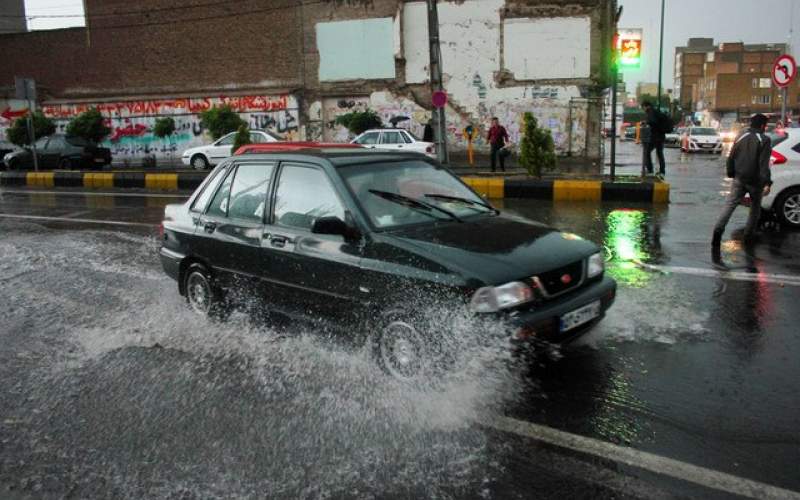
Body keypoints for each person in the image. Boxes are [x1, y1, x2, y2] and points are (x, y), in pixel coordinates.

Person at [712, 113, 772, 257]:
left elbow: (731, 157)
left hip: (739, 178)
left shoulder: (740, 137)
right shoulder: (764, 139)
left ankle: (717, 235)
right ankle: (748, 237)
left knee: (730, 205)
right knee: (755, 208)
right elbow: (763, 166)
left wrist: (731, 173)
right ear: (763, 126)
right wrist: (767, 183)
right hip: (755, 181)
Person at [641, 101, 668, 179]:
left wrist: (646, 122)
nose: (643, 109)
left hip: (656, 136)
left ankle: (650, 170)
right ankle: (662, 171)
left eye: (643, 107)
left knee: (647, 152)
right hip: (661, 135)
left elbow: (653, 122)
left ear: (646, 106)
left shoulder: (651, 112)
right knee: (660, 153)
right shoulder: (656, 111)